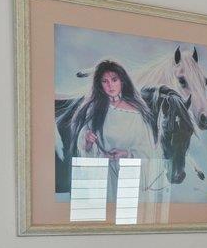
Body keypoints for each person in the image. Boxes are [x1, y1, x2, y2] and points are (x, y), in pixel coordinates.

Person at [67, 59, 163, 193]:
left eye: (114, 80)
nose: (110, 85)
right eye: (104, 81)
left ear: (122, 81)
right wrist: (87, 139)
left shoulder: (137, 112)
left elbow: (147, 150)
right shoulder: (94, 109)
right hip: (102, 177)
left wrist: (126, 154)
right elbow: (84, 145)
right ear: (99, 85)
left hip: (129, 178)